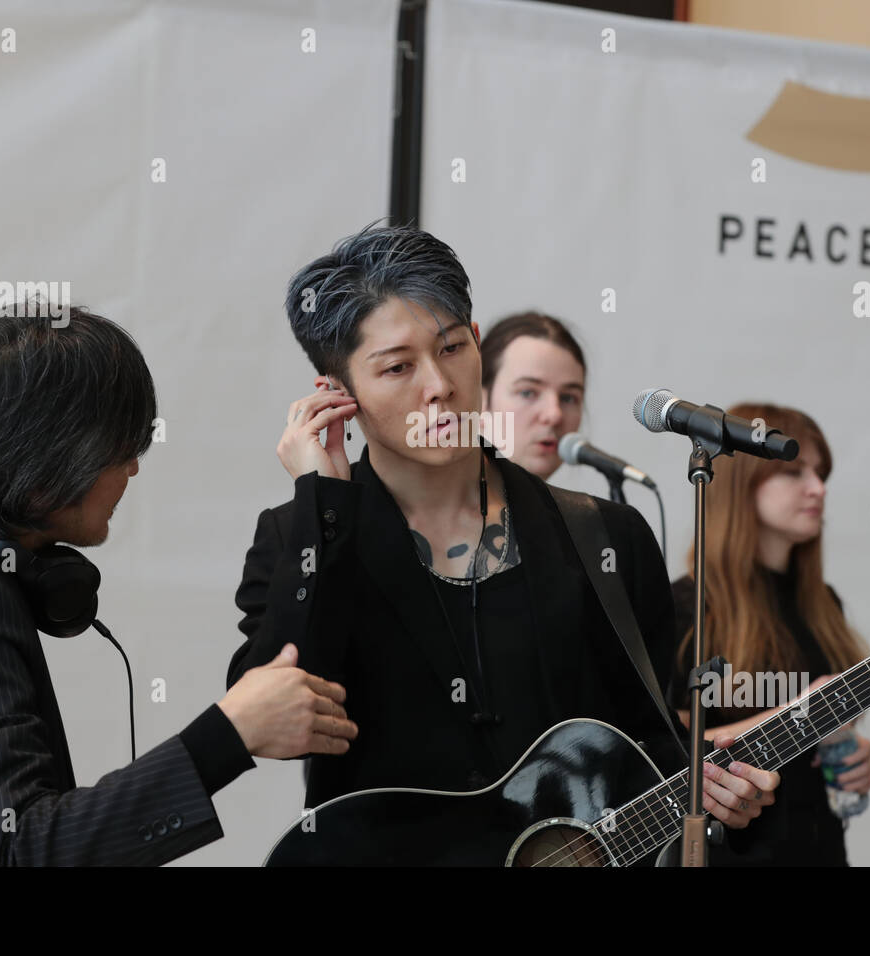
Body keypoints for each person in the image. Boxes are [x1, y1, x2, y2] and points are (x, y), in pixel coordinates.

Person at [229, 224, 779, 859]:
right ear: (337, 393)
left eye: (452, 348)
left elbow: (651, 749)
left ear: (478, 346)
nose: (438, 385)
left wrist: (725, 793)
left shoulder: (607, 536)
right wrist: (323, 506)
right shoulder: (296, 536)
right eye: (398, 367)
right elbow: (275, 719)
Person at [0, 306, 357, 866]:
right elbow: (25, 847)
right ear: (52, 460)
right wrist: (229, 734)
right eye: (125, 450)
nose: (134, 471)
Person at [667, 402, 870, 866]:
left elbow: (821, 741)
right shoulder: (684, 606)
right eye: (796, 472)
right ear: (744, 480)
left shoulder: (823, 603)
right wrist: (799, 716)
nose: (818, 489)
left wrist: (851, 754)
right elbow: (665, 741)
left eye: (822, 474)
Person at [478, 312, 586, 481]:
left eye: (568, 398)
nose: (554, 414)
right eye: (527, 393)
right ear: (478, 402)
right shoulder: (433, 504)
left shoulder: (579, 507)